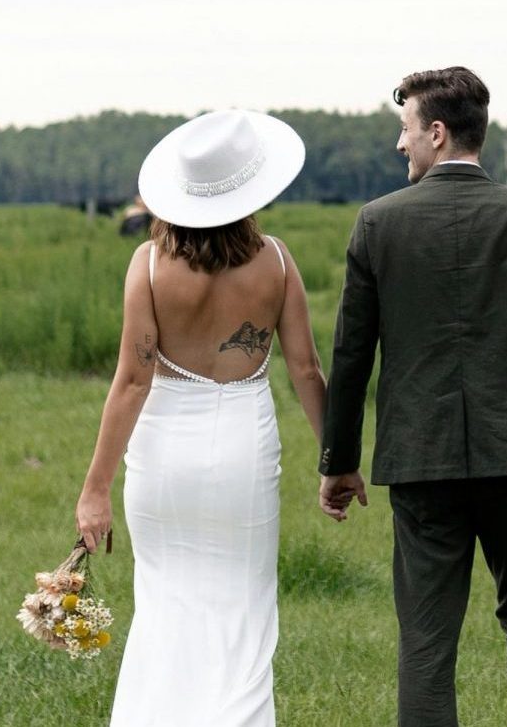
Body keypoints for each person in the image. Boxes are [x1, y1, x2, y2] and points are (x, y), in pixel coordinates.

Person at [319, 66, 507, 727]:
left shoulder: (377, 224)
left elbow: (352, 356)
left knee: (426, 642)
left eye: (404, 129)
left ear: (436, 133)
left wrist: (338, 461)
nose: (399, 144)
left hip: (420, 462)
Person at [74, 109, 327, 727]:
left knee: (163, 607)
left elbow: (132, 381)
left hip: (164, 458)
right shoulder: (278, 263)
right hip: (244, 451)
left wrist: (95, 490)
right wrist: (335, 461)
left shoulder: (150, 265)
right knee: (242, 613)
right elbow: (305, 371)